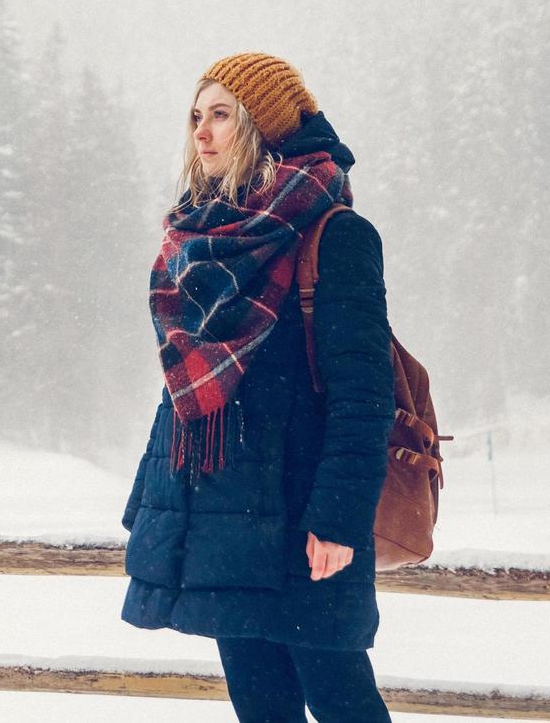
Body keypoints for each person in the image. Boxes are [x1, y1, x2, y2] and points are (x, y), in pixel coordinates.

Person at [119, 53, 396, 722]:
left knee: (342, 702)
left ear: (263, 126)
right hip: (223, 522)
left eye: (221, 115)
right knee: (261, 710)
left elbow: (365, 396)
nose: (202, 133)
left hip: (304, 525)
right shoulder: (195, 240)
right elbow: (183, 397)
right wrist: (158, 508)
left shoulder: (337, 236)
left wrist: (336, 519)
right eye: (195, 117)